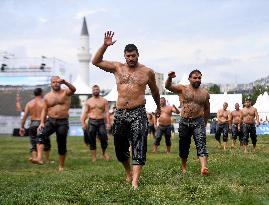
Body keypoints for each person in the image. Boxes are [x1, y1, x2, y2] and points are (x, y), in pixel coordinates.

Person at [92, 31, 161, 189]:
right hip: (121, 112)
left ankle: (135, 180)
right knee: (120, 147)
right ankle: (128, 171)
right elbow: (95, 61)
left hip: (138, 111)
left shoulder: (147, 72)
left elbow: (155, 91)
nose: (131, 58)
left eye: (134, 56)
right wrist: (105, 45)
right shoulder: (117, 67)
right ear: (124, 55)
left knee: (139, 143)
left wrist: (159, 106)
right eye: (128, 56)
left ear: (138, 55)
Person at [165, 70, 210, 176]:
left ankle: (203, 167)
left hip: (198, 121)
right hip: (185, 121)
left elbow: (207, 109)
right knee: (184, 145)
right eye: (195, 78)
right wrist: (170, 78)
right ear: (189, 79)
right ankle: (184, 167)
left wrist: (205, 122)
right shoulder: (183, 88)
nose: (197, 80)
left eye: (199, 78)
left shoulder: (204, 93)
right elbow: (168, 86)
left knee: (201, 143)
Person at [36, 76, 76, 171]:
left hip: (63, 121)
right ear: (51, 84)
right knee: (40, 134)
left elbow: (74, 89)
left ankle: (61, 165)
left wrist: (65, 82)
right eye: (54, 82)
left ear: (60, 82)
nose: (56, 83)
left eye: (57, 82)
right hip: (51, 120)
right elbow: (44, 110)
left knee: (61, 143)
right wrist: (42, 122)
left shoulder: (66, 92)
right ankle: (39, 158)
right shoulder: (47, 96)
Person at [19, 88, 51, 163]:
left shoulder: (29, 103)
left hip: (33, 124)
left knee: (33, 141)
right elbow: (49, 113)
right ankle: (47, 160)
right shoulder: (44, 102)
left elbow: (24, 117)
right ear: (41, 93)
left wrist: (22, 127)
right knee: (45, 141)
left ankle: (35, 158)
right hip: (42, 123)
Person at [81, 85, 110, 162]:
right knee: (92, 139)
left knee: (103, 137)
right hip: (92, 121)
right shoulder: (89, 101)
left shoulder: (104, 100)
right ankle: (94, 156)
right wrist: (83, 122)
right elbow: (85, 112)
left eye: (97, 89)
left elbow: (107, 112)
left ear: (99, 90)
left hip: (101, 121)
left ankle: (104, 153)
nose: (96, 91)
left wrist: (108, 123)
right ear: (92, 91)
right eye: (94, 90)